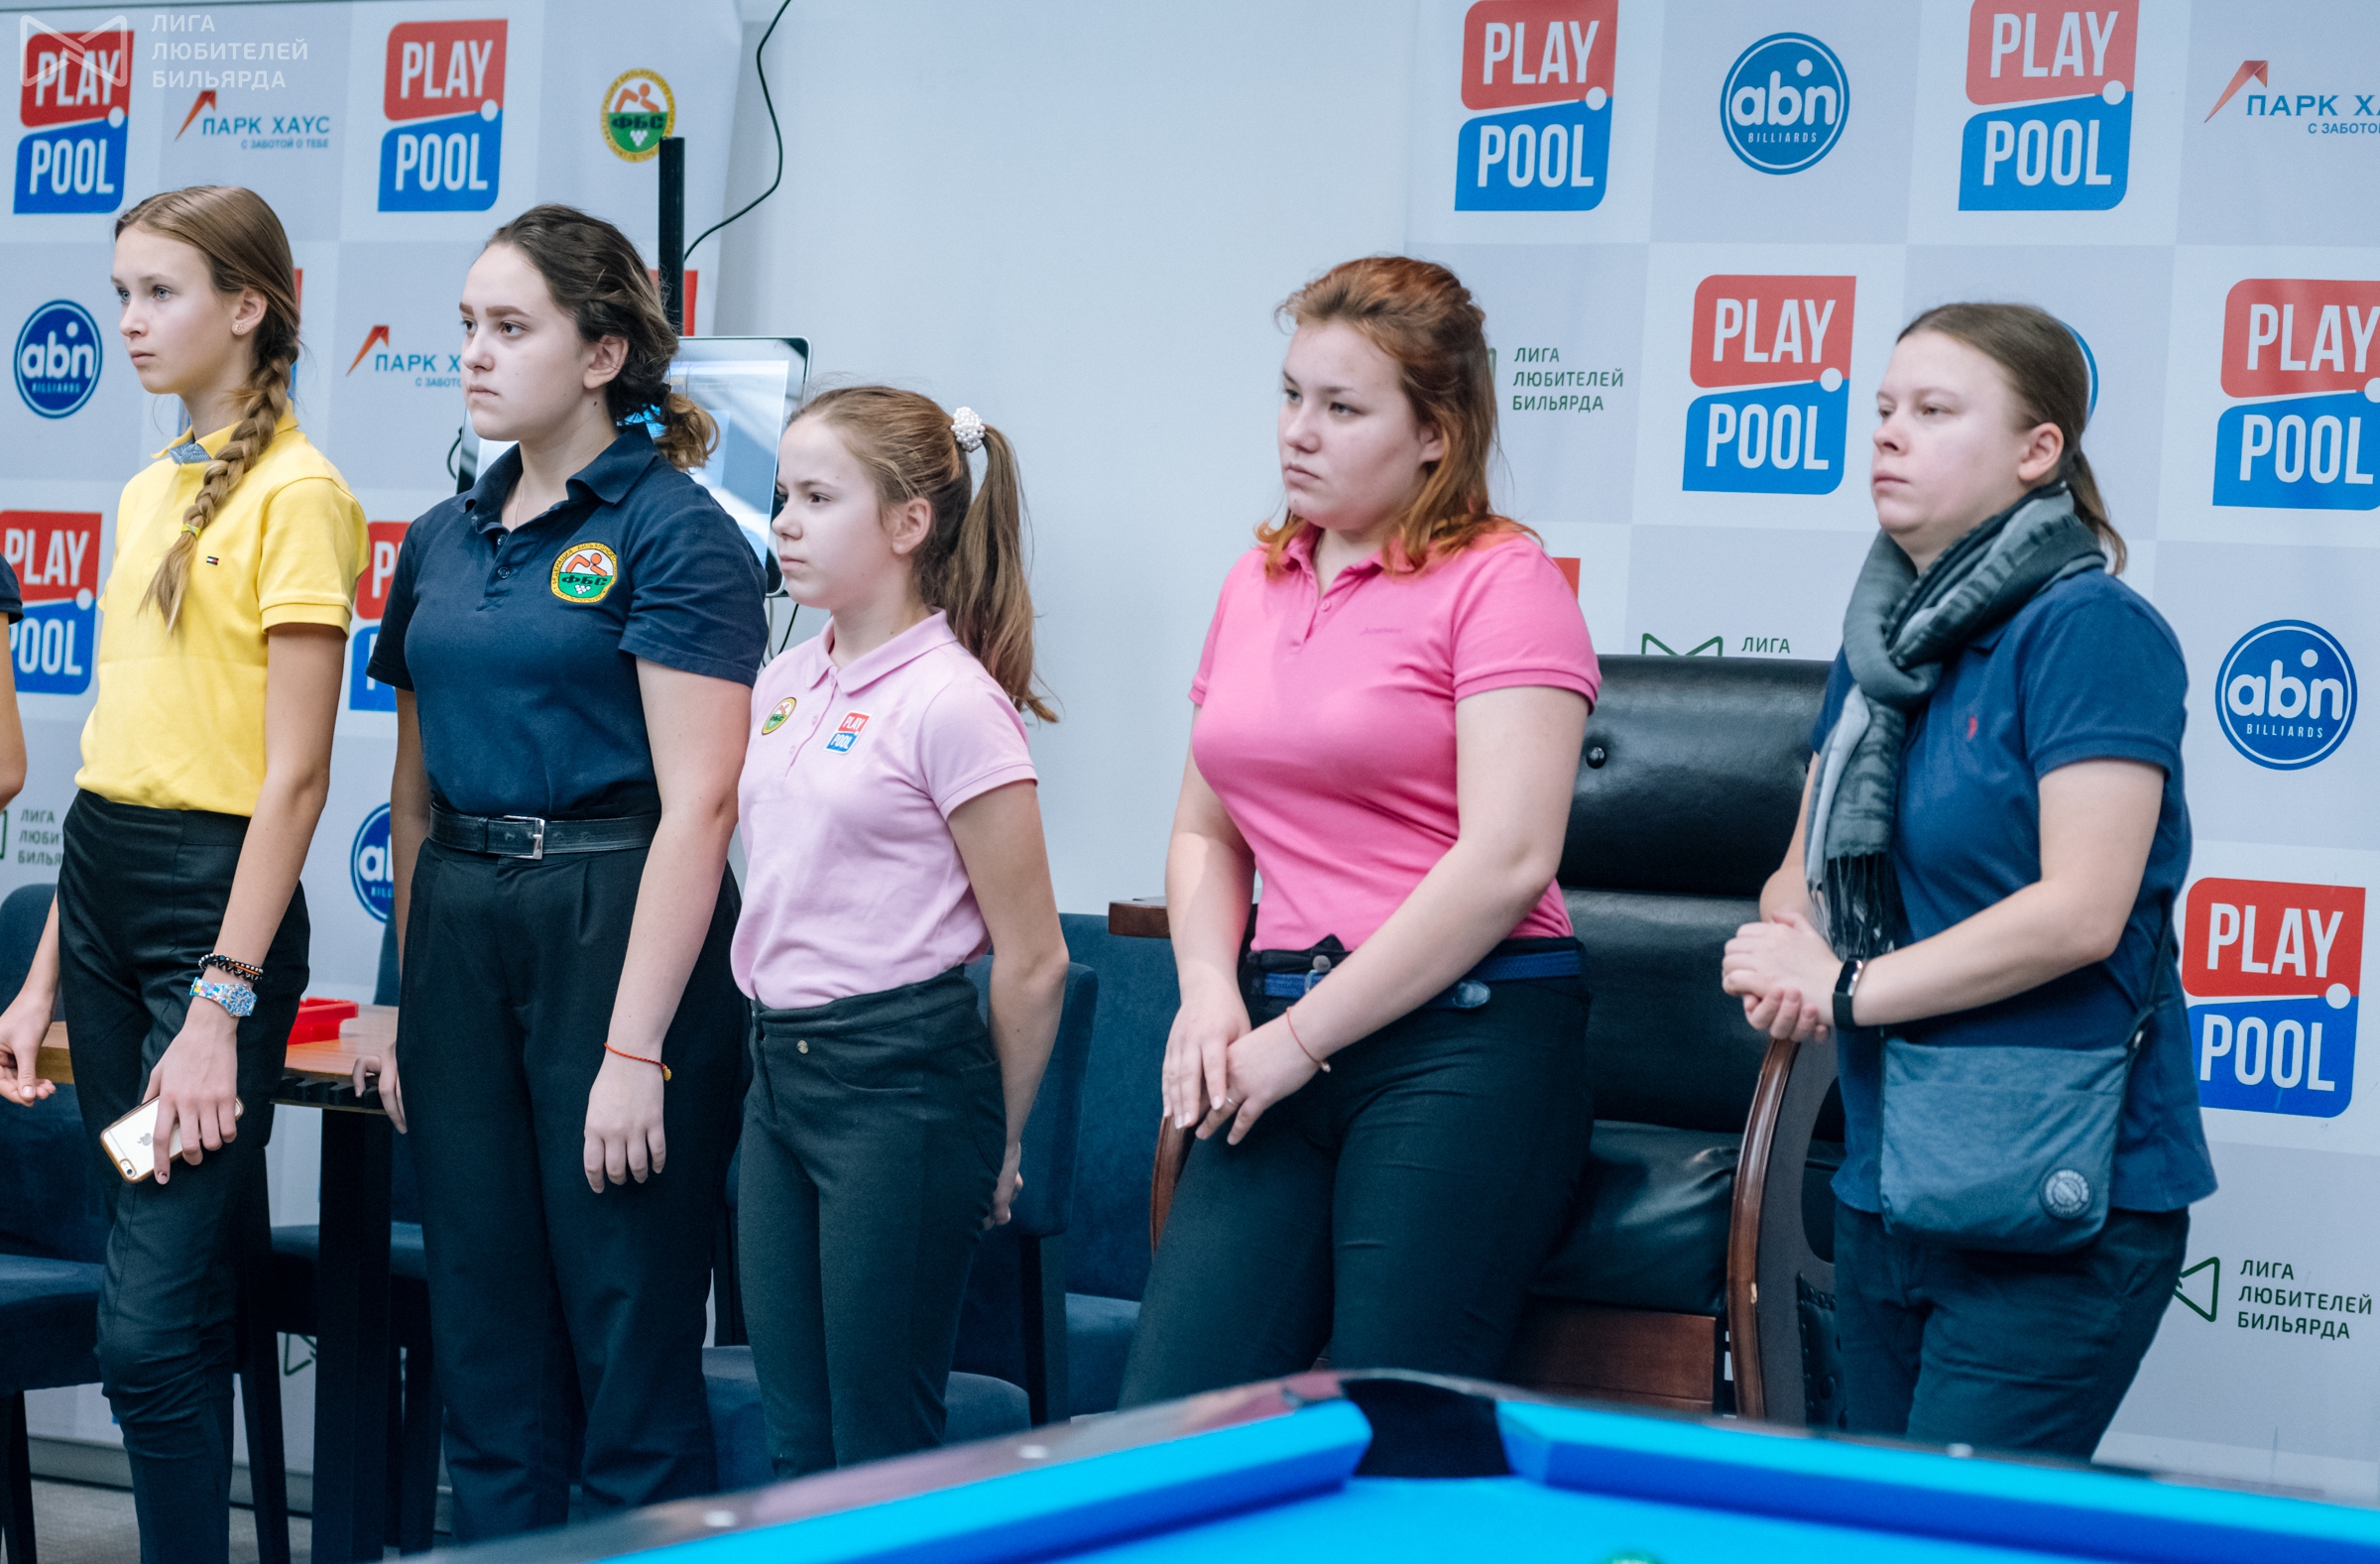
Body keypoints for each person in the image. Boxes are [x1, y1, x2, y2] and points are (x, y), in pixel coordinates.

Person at [1721, 302, 2214, 1459]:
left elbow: (2081, 911)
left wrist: (1844, 987)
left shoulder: (2092, 629)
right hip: (1887, 1182)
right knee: (1873, 1529)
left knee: (1953, 1533)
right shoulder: (1880, 642)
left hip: (2056, 1192)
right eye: (1885, 408)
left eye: (1935, 411)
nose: (1889, 433)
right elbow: (1799, 871)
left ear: (2039, 450)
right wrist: (1786, 943)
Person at [1118, 257, 1600, 1404]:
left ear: (1435, 432)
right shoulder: (1255, 581)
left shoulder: (1504, 580)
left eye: (1342, 407)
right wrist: (1208, 989)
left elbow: (1508, 860)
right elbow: (1206, 830)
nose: (1299, 430)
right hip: (1277, 1025)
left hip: (1465, 1036)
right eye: (1292, 395)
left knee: (1394, 1428)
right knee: (1172, 1420)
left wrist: (1300, 1037)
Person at [351, 205, 765, 1541]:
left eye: (510, 327)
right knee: (481, 1326)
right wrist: (408, 1001)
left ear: (602, 354)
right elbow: (413, 794)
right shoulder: (442, 536)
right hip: (462, 924)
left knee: (626, 1324)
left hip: (618, 917)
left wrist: (635, 1048)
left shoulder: (676, 530)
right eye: (468, 325)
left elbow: (702, 802)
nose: (474, 352)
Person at [0, 185, 364, 1562]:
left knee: (146, 1325)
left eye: (160, 292)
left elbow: (297, 779)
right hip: (102, 903)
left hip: (211, 924)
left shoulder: (303, 495)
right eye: (122, 294)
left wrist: (219, 1004)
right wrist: (40, 978)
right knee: (161, 1293)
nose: (131, 322)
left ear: (248, 305)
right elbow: (113, 758)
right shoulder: (147, 487)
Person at [735, 387, 1066, 1475]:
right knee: (796, 1440)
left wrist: (1000, 1143)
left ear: (910, 522)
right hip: (777, 1072)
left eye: (817, 498)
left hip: (902, 1085)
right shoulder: (785, 680)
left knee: (880, 1446)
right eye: (783, 496)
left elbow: (1034, 959)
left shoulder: (953, 701)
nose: (784, 523)